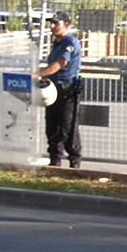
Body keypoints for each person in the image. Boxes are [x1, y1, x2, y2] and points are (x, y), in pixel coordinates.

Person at [36, 9, 83, 168]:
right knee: (52, 125)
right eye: (52, 22)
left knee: (67, 126)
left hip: (66, 89)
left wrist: (39, 74)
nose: (53, 25)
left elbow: (60, 63)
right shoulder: (56, 43)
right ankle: (55, 160)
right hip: (52, 89)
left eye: (56, 23)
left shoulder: (69, 42)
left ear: (67, 25)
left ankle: (74, 162)